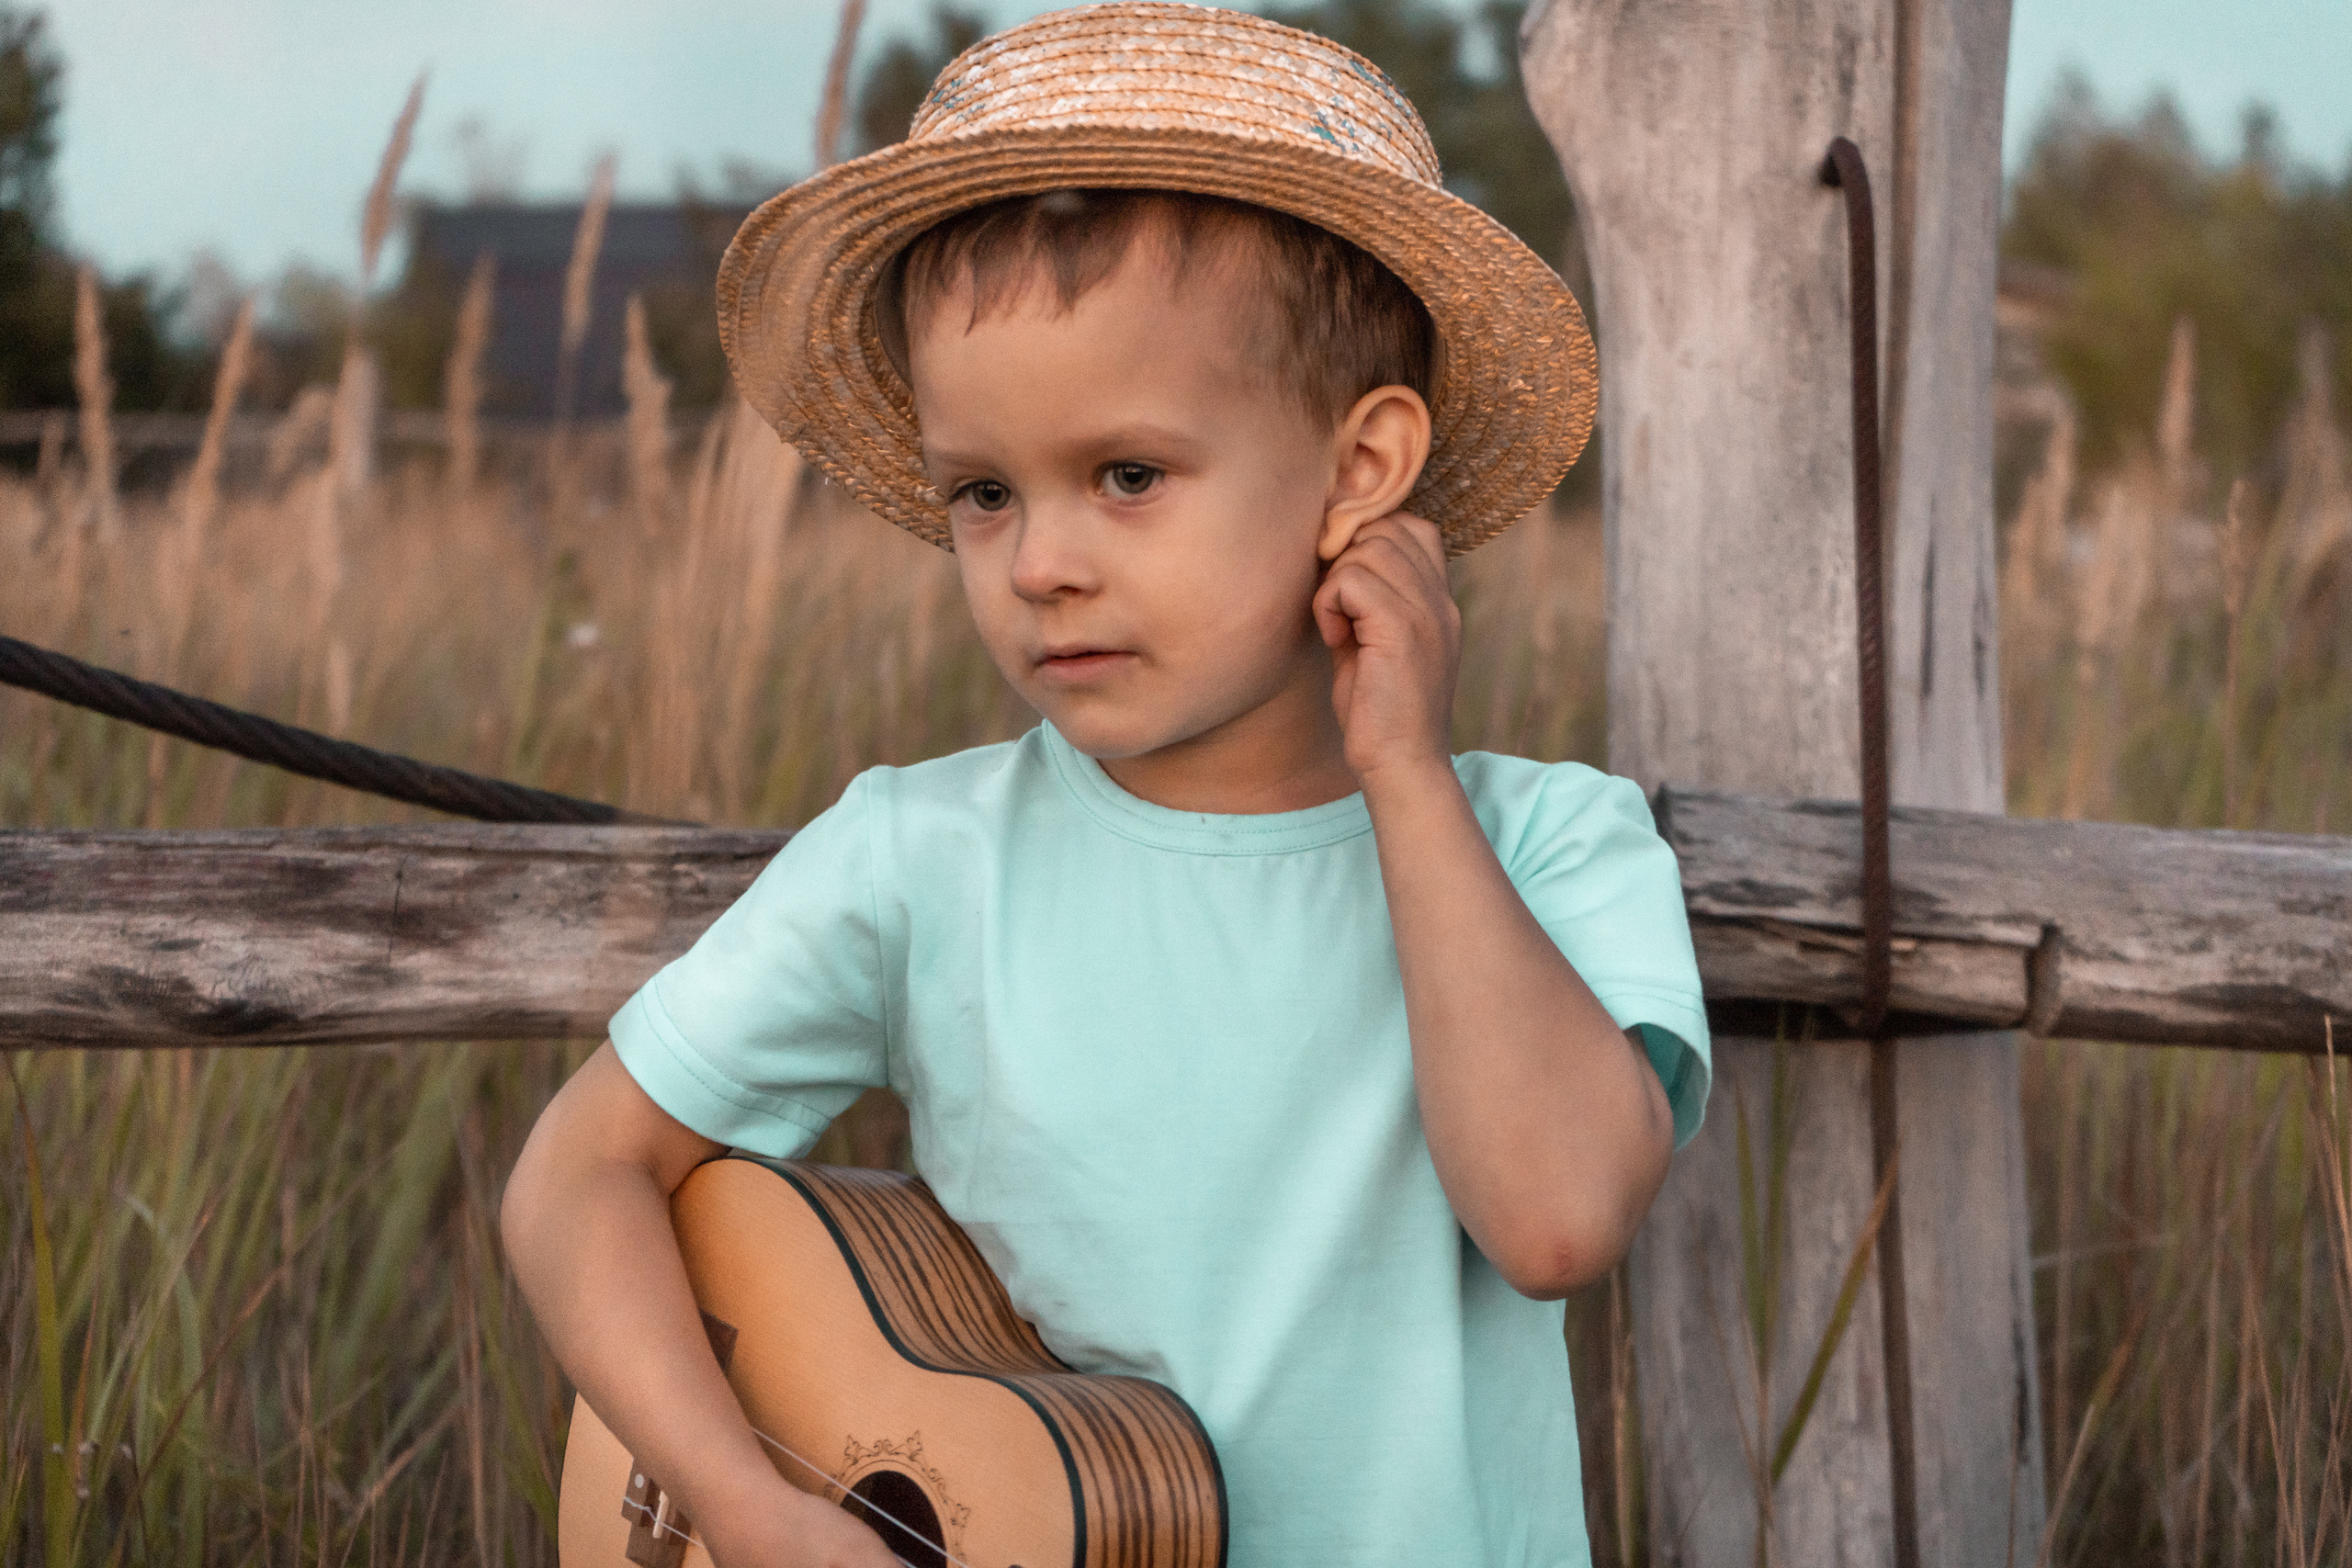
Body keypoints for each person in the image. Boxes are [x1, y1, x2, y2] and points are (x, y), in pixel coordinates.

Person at [502, 6, 1711, 1564]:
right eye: (985, 495)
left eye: (1128, 476)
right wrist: (747, 1509)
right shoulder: (920, 861)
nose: (1043, 567)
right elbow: (574, 1178)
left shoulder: (1553, 845)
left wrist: (1402, 769)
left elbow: (1554, 1223)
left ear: (1360, 472)